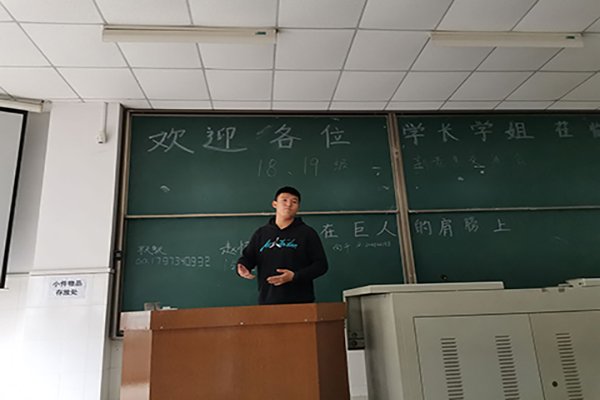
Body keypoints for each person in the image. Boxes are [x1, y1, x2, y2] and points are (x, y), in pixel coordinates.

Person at [237, 186, 328, 305]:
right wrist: (243, 266)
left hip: (301, 302)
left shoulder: (307, 233)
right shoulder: (261, 233)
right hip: (267, 301)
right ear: (275, 204)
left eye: (294, 202)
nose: (288, 204)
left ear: (298, 207)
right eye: (284, 200)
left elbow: (321, 265)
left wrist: (295, 276)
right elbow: (249, 257)